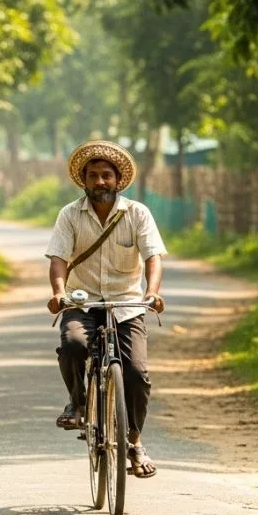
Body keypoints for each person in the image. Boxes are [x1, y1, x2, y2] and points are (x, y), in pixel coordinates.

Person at [44, 139, 167, 478]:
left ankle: (135, 441)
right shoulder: (70, 215)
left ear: (118, 180)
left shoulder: (137, 213)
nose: (100, 182)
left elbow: (152, 257)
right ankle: (78, 402)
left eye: (106, 176)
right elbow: (58, 259)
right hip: (82, 302)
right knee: (72, 345)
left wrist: (152, 292)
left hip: (127, 305)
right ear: (84, 180)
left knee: (137, 374)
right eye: (94, 176)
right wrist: (58, 292)